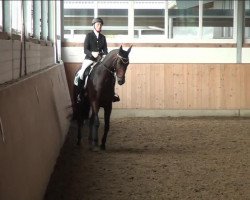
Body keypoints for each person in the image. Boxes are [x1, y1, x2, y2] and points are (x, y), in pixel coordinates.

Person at [73, 17, 120, 104]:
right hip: (89, 59)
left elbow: (105, 50)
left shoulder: (103, 37)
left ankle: (112, 93)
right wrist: (92, 53)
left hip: (100, 60)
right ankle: (80, 93)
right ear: (94, 26)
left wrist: (105, 55)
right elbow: (85, 50)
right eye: (98, 24)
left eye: (100, 25)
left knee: (111, 74)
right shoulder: (89, 36)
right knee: (82, 73)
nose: (99, 26)